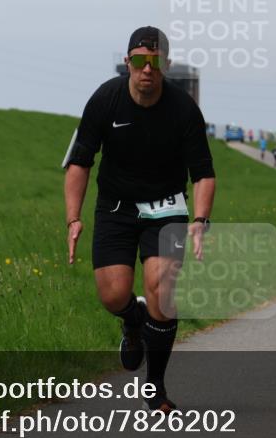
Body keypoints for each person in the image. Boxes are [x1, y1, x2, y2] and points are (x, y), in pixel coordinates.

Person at [63, 26, 216, 413]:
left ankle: (156, 388)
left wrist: (200, 219)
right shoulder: (105, 99)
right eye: (139, 61)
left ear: (165, 64)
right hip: (116, 206)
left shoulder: (184, 109)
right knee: (113, 294)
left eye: (155, 61)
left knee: (161, 291)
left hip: (167, 206)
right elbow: (80, 161)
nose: (147, 69)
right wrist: (73, 219)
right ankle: (134, 323)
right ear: (128, 62)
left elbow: (203, 172)